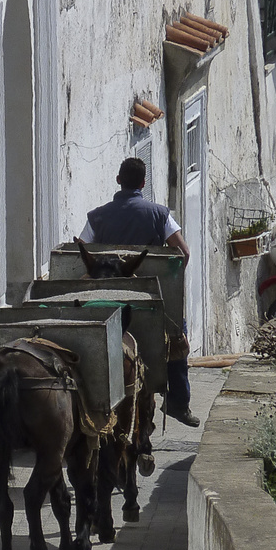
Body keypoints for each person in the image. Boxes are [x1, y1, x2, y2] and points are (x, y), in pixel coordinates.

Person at [80, 156, 199, 428]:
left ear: (118, 180)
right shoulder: (160, 214)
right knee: (176, 338)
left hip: (106, 299)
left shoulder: (96, 216)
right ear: (143, 183)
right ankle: (179, 404)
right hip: (149, 300)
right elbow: (183, 253)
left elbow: (81, 250)